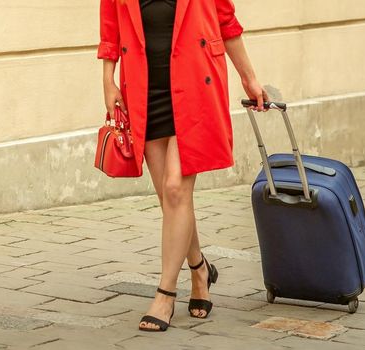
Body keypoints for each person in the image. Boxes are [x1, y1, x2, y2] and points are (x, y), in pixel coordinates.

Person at [98, 0, 268, 332]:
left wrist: (250, 79)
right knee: (170, 198)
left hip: (194, 87)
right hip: (144, 91)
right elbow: (110, 29)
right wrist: (108, 79)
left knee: (176, 188)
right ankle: (199, 268)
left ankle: (165, 294)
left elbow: (227, 24)